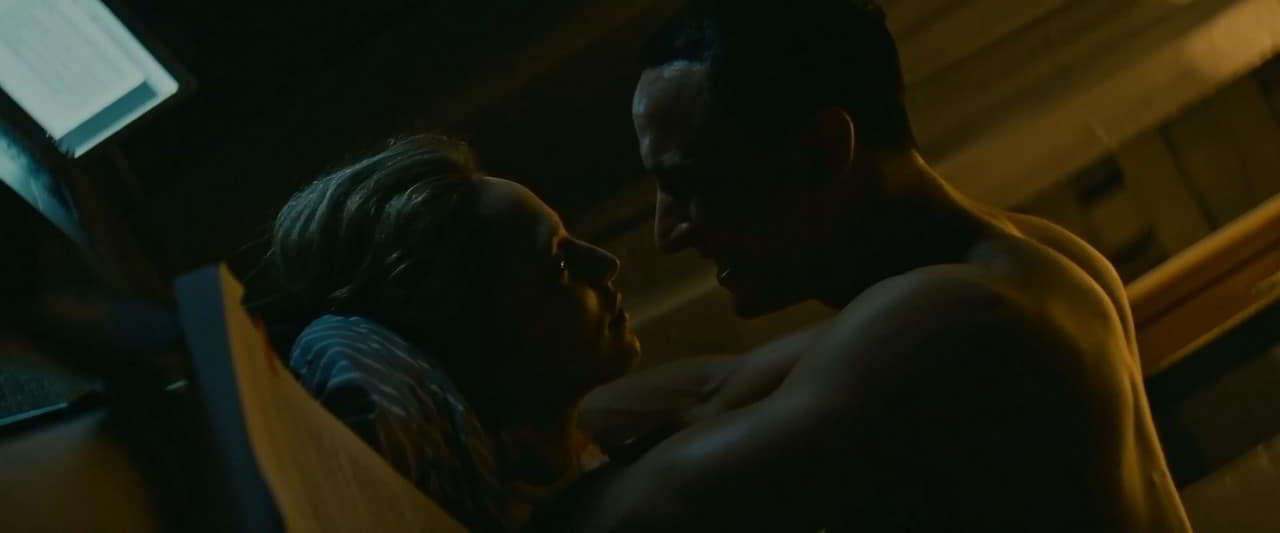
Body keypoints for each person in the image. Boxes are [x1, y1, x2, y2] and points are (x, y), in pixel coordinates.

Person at [534, 1, 1194, 531]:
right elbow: (712, 391)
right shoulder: (1022, 265)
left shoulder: (960, 318)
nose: (668, 234)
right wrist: (529, 418)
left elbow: (637, 519)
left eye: (691, 186)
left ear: (822, 151)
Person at [255, 135, 640, 531]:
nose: (606, 263)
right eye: (559, 263)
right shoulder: (644, 497)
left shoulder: (595, 446)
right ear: (473, 326)